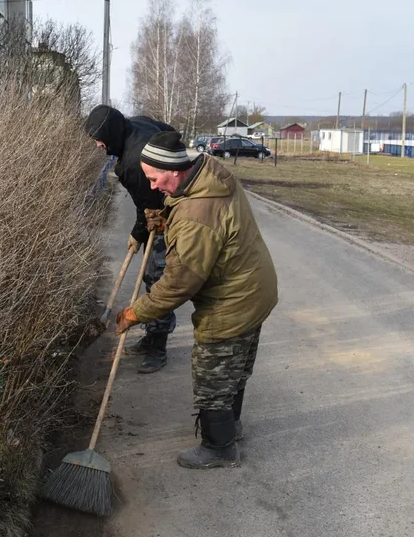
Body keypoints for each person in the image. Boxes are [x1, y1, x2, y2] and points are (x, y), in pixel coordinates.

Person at [115, 131, 278, 469]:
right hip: (254, 288)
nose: (154, 186)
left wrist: (136, 313)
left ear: (174, 170)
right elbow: (190, 209)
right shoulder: (203, 172)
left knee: (212, 373)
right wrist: (167, 220)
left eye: (155, 178)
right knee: (233, 368)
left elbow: (178, 283)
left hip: (233, 298)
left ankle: (219, 448)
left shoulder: (197, 215)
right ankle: (230, 427)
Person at [85, 105, 177, 374]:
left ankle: (157, 348)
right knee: (152, 277)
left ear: (111, 133)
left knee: (159, 279)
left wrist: (138, 234)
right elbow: (170, 132)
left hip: (168, 215)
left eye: (99, 139)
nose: (98, 145)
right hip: (166, 200)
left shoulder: (133, 163)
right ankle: (152, 338)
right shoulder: (136, 124)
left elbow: (146, 207)